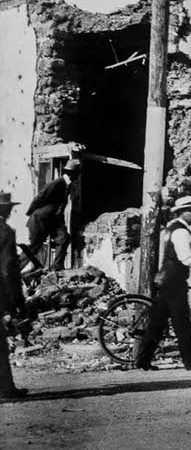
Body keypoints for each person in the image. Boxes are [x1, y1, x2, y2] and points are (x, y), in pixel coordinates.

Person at [134, 196, 191, 371]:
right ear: (183, 213)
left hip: (165, 280)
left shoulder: (170, 228)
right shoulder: (181, 231)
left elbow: (175, 254)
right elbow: (186, 259)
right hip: (175, 282)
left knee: (157, 324)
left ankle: (143, 361)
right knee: (182, 325)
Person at [24, 159, 80, 271]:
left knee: (63, 238)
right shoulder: (57, 183)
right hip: (40, 219)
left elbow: (60, 208)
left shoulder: (67, 186)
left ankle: (57, 268)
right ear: (72, 173)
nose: (78, 176)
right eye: (77, 173)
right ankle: (11, 271)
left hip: (53, 220)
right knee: (34, 247)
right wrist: (32, 213)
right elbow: (39, 197)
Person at [1, 192, 28, 399]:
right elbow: (9, 269)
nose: (10, 211)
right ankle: (6, 389)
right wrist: (15, 302)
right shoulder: (5, 231)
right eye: (8, 208)